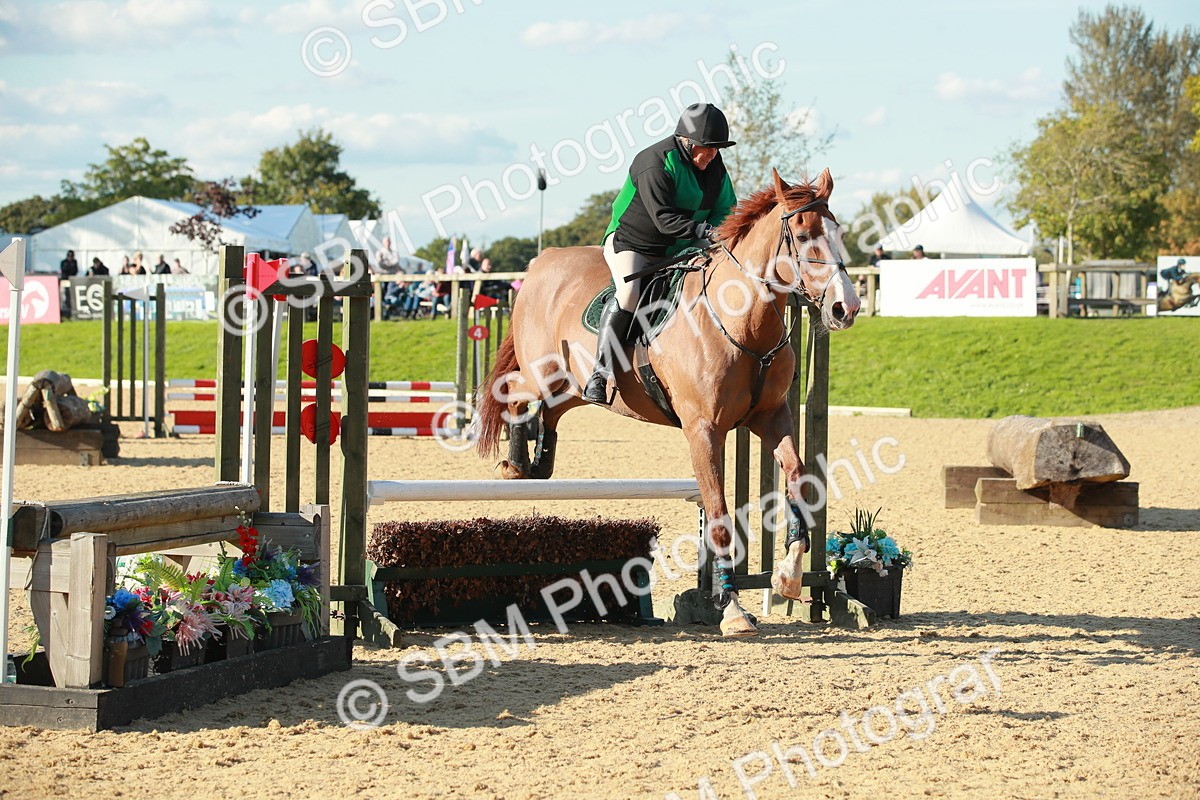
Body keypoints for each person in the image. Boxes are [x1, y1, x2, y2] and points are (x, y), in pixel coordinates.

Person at [582, 101, 737, 404]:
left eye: (717, 149)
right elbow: (664, 220)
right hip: (633, 243)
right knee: (628, 294)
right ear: (687, 142)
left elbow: (726, 212)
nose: (712, 155)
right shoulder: (654, 161)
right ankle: (599, 375)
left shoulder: (714, 167)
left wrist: (727, 236)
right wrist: (705, 232)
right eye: (707, 148)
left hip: (683, 246)